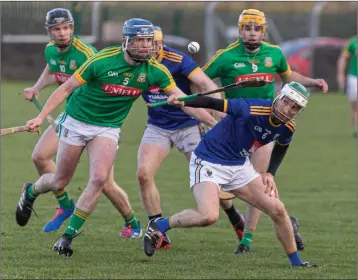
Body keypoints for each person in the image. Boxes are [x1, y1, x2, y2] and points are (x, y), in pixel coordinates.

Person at [17, 18, 216, 257]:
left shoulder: (155, 69)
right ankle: (30, 192)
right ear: (126, 42)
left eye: (149, 41)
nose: (146, 46)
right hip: (76, 121)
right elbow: (65, 88)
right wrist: (41, 117)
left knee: (99, 179)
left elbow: (184, 101)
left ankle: (67, 237)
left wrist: (212, 122)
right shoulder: (102, 60)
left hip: (108, 128)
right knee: (60, 181)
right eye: (140, 41)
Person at [143, 81, 319, 268]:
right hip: (208, 160)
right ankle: (160, 225)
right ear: (279, 97)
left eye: (295, 107)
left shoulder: (288, 126)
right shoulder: (251, 108)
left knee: (278, 210)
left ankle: (297, 264)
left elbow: (282, 146)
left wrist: (270, 173)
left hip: (239, 166)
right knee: (208, 216)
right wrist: (184, 102)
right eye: (287, 102)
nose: (288, 109)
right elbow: (212, 103)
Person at [199, 8, 328, 253]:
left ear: (263, 31)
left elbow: (289, 77)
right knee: (222, 184)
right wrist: (210, 109)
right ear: (240, 30)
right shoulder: (225, 57)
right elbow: (200, 79)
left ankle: (246, 240)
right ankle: (281, 220)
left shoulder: (274, 54)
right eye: (247, 28)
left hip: (266, 125)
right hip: (233, 128)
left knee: (258, 180)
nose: (252, 33)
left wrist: (312, 81)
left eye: (256, 28)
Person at [21, 8, 142, 238]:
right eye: (56, 29)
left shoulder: (87, 54)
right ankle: (65, 205)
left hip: (99, 121)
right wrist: (36, 87)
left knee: (105, 183)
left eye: (66, 28)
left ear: (72, 29)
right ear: (49, 31)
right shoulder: (50, 51)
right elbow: (53, 68)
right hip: (73, 117)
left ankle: (133, 223)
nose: (62, 33)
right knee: (40, 156)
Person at [138, 26, 245, 250]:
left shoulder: (178, 59)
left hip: (189, 125)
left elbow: (207, 85)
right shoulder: (137, 61)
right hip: (157, 126)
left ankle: (233, 215)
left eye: (154, 43)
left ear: (160, 44)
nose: (149, 47)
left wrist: (222, 115)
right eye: (145, 42)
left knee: (213, 186)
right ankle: (157, 229)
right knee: (143, 175)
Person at [337, 36, 357, 138]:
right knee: (354, 103)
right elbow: (343, 58)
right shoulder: (352, 43)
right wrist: (340, 74)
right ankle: (355, 128)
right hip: (354, 77)